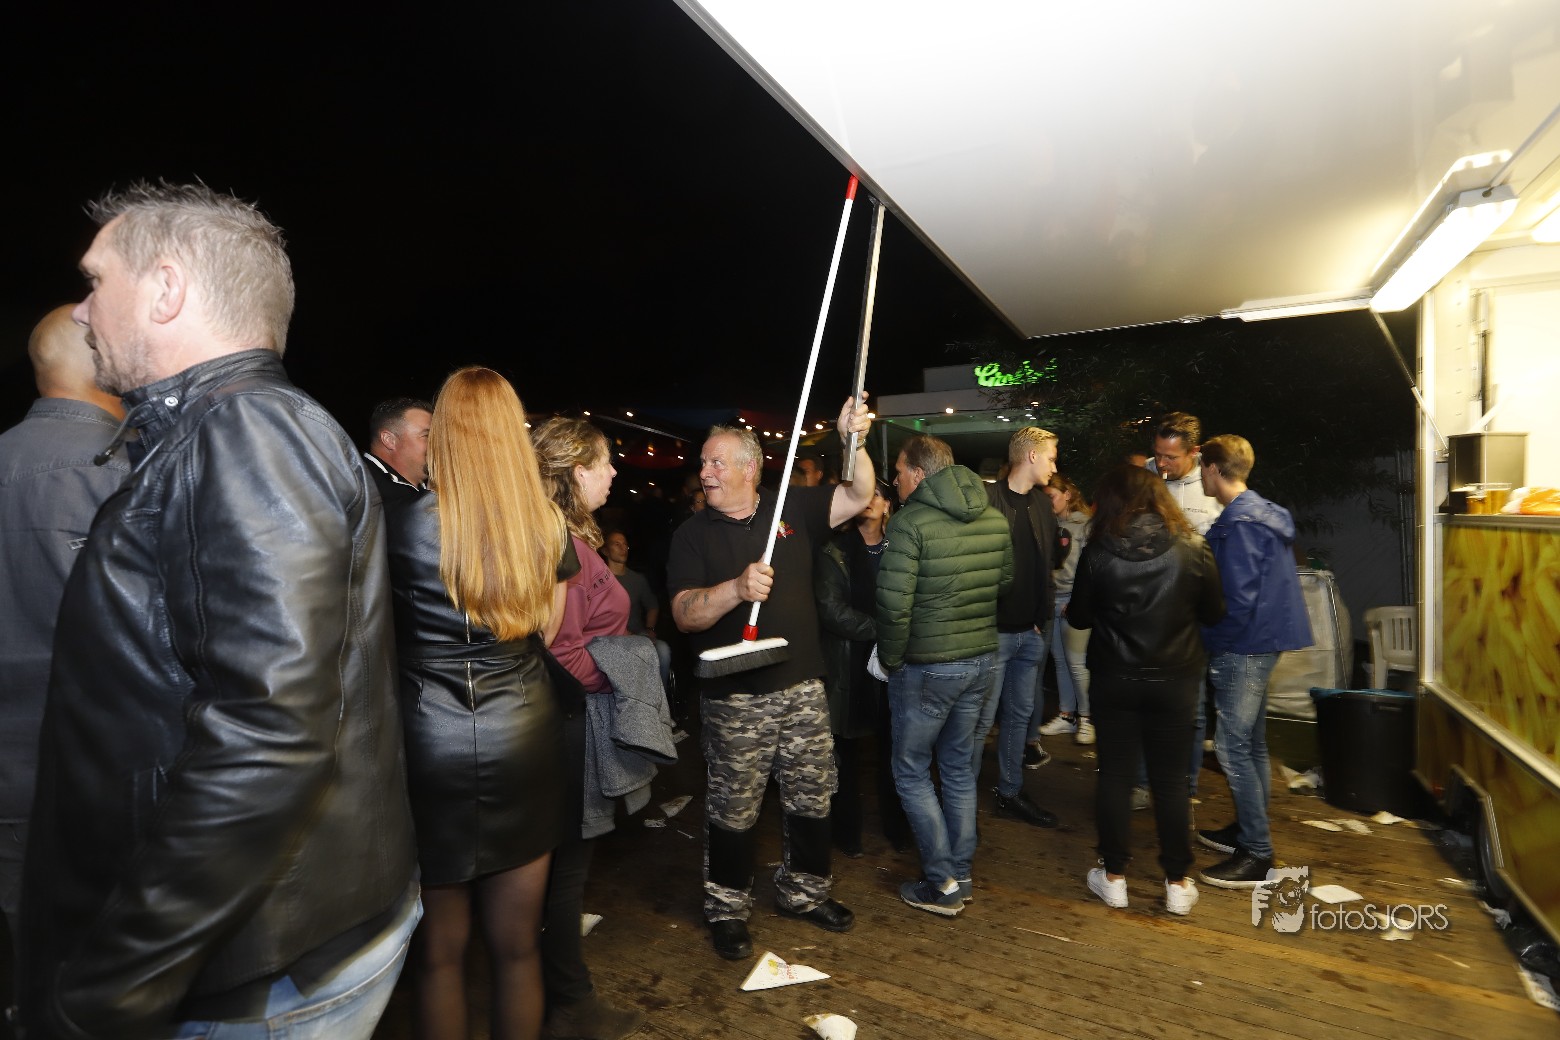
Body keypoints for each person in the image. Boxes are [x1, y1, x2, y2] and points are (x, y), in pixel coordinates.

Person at [21, 182, 419, 1040]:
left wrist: (109, 989)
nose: (84, 311)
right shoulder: (219, 429)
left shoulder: (245, 432)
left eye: (96, 281)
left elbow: (268, 734)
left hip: (257, 974)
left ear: (166, 288)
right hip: (264, 947)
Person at [382, 367, 573, 1040]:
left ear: (446, 437)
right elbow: (548, 631)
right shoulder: (546, 525)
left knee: (439, 954)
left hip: (428, 740)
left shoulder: (399, 523)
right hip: (523, 733)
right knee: (517, 949)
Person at [666, 396, 874, 961]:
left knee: (813, 796)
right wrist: (736, 589)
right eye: (704, 463)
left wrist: (851, 439)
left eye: (716, 462)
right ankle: (727, 909)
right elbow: (684, 614)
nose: (705, 472)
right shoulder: (692, 535)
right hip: (733, 696)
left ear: (750, 468)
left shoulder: (794, 506)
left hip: (803, 686)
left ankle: (804, 894)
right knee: (734, 808)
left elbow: (859, 493)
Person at [0, 307, 129, 982]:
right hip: (106, 783)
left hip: (11, 782)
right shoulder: (130, 472)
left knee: (36, 972)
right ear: (107, 364)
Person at [531, 418, 648, 1040]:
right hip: (570, 722)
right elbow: (559, 650)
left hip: (566, 718)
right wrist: (623, 677)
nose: (613, 472)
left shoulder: (565, 535)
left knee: (557, 871)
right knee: (565, 873)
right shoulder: (562, 546)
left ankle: (562, 1000)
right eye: (605, 463)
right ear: (577, 472)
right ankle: (570, 1007)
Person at [1067, 466, 1224, 917]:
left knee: (1115, 776)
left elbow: (1079, 617)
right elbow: (1215, 612)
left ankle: (1114, 878)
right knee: (1171, 782)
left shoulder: (1098, 551)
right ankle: (1177, 883)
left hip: (1115, 678)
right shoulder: (1193, 546)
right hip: (1175, 680)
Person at [877, 434, 1013, 916]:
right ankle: (962, 872)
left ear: (918, 473)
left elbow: (893, 606)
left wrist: (892, 659)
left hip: (927, 666)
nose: (895, 480)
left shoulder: (909, 523)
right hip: (981, 658)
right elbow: (1004, 581)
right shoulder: (993, 517)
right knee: (957, 768)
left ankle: (942, 884)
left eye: (898, 470)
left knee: (911, 771)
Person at [1194, 435, 1313, 889]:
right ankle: (1247, 831)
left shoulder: (1240, 524)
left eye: (1201, 469)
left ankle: (1258, 854)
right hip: (1262, 642)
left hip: (1242, 647)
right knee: (1252, 744)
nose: (1200, 477)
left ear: (1212, 469)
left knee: (1232, 748)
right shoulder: (1263, 513)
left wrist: (1210, 643)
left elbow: (1236, 600)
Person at [971, 426, 1062, 828]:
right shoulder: (987, 499)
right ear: (1031, 456)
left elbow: (1046, 567)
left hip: (1030, 633)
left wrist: (1041, 617)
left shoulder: (1042, 504)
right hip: (993, 635)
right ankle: (961, 798)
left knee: (1019, 718)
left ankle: (1010, 792)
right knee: (980, 721)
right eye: (1051, 458)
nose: (1054, 467)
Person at [815, 484, 910, 857]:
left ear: (887, 505)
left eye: (876, 495)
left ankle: (898, 827)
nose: (869, 501)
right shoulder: (834, 550)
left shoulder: (902, 547)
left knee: (895, 749)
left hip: (895, 663)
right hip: (847, 664)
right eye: (862, 495)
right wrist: (885, 629)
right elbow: (831, 611)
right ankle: (846, 832)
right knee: (847, 754)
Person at [1037, 473, 1095, 746]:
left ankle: (1087, 718)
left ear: (1068, 495)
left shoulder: (1085, 525)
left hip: (1074, 600)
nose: (1048, 502)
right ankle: (1067, 715)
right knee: (1060, 661)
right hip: (1054, 597)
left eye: (1052, 496)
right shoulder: (1049, 524)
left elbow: (1090, 566)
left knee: (1077, 662)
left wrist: (1079, 600)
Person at [602, 529, 673, 688]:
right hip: (609, 637)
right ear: (605, 550)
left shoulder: (637, 579)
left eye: (625, 544)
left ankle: (658, 699)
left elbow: (652, 606)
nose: (623, 548)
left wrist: (649, 628)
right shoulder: (600, 580)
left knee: (663, 650)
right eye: (617, 544)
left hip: (638, 635)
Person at [364, 396, 433, 499]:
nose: (436, 444)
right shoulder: (360, 488)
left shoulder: (429, 490)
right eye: (426, 436)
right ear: (389, 440)